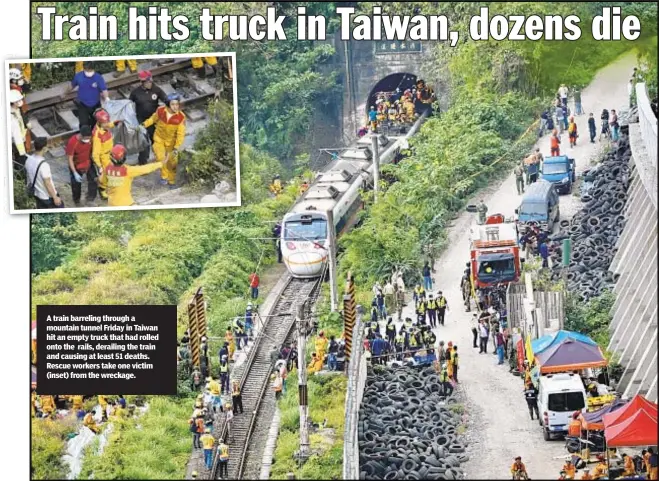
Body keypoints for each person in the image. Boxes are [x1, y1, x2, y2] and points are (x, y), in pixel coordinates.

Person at [141, 93, 186, 187]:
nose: (175, 107)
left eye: (177, 104)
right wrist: (143, 125)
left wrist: (176, 147)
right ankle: (164, 176)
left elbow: (180, 134)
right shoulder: (160, 110)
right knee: (160, 158)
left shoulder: (181, 117)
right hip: (159, 138)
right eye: (173, 104)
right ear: (168, 104)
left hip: (172, 143)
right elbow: (153, 119)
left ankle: (171, 180)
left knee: (172, 162)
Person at [129, 70, 168, 165]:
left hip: (155, 120)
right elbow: (128, 105)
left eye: (151, 81)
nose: (150, 83)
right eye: (148, 82)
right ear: (142, 82)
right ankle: (143, 163)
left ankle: (161, 160)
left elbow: (167, 100)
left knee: (157, 141)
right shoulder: (135, 92)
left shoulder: (157, 90)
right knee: (144, 143)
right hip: (142, 121)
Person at [64, 62, 109, 129]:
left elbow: (104, 89)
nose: (89, 73)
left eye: (90, 71)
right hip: (82, 104)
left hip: (96, 105)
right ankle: (85, 136)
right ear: (84, 69)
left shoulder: (98, 77)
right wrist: (65, 93)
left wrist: (107, 98)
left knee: (97, 124)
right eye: (87, 71)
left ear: (93, 69)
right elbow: (71, 86)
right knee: (83, 124)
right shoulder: (78, 76)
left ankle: (94, 137)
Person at [25, 137, 64, 209]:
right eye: (47, 145)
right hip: (47, 197)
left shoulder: (28, 160)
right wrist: (55, 197)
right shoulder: (43, 165)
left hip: (37, 195)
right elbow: (47, 183)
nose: (48, 147)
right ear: (43, 148)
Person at [92, 109, 121, 200]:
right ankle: (102, 190)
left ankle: (111, 187)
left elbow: (108, 124)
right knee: (106, 176)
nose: (107, 124)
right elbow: (95, 153)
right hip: (104, 157)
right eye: (105, 123)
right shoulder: (97, 135)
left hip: (110, 153)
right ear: (99, 122)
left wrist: (114, 123)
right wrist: (99, 166)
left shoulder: (104, 126)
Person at [66, 125, 97, 205]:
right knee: (76, 185)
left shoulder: (91, 138)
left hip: (88, 162)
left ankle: (91, 197)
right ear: (81, 135)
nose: (87, 140)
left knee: (94, 180)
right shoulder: (72, 142)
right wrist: (74, 172)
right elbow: (70, 159)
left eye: (89, 138)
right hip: (76, 165)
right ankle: (77, 200)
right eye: (86, 138)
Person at [9, 89, 28, 166]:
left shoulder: (17, 109)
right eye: (18, 100)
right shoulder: (11, 116)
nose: (20, 101)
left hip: (21, 138)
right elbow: (16, 135)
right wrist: (22, 152)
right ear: (13, 102)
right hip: (17, 142)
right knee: (20, 160)